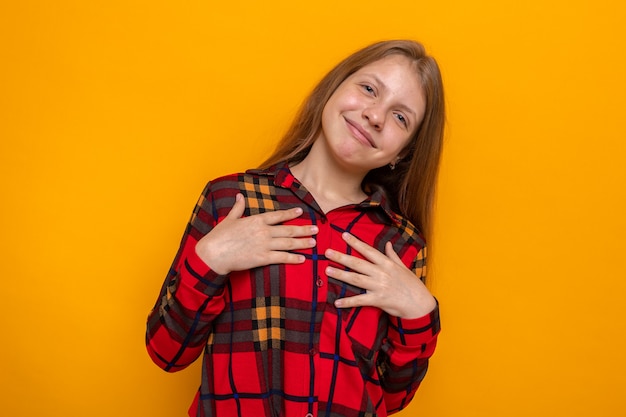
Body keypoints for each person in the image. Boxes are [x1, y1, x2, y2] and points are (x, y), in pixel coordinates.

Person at [146, 39, 444, 417]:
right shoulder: (231, 200)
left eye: (400, 117)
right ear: (332, 89)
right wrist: (209, 259)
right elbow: (166, 351)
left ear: (403, 152)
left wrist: (422, 314)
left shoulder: (402, 244)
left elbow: (392, 397)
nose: (375, 116)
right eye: (369, 89)